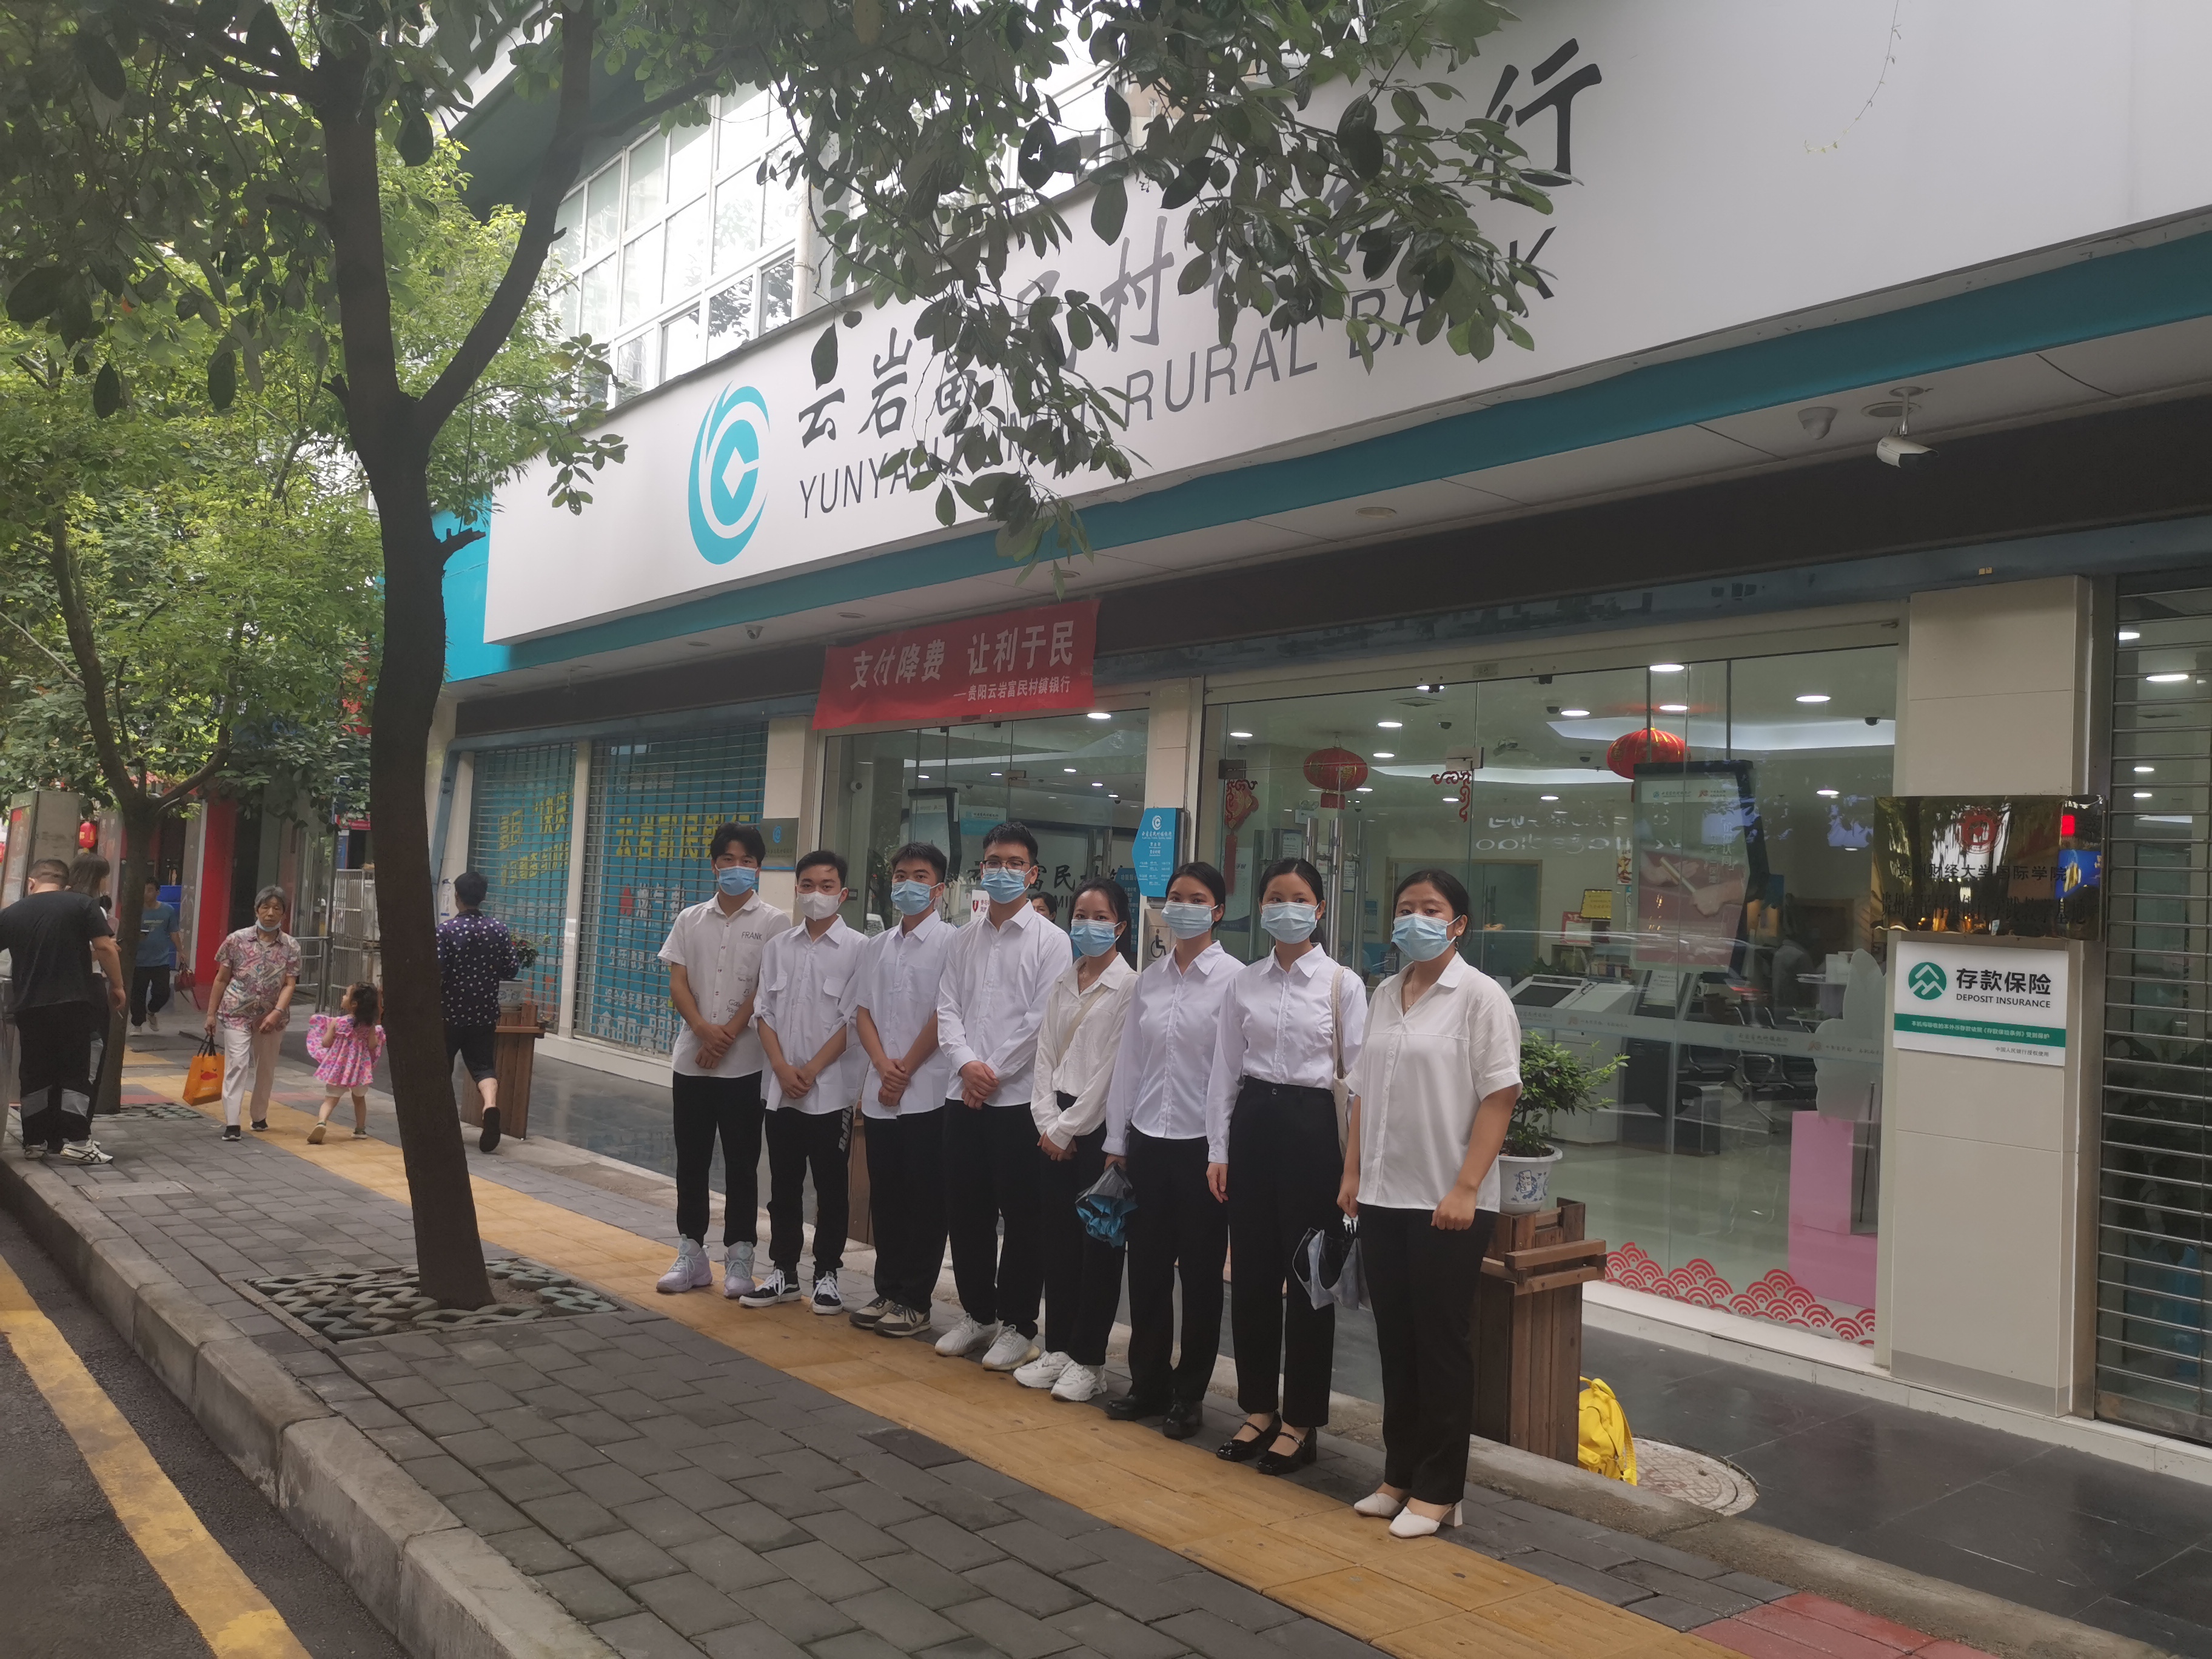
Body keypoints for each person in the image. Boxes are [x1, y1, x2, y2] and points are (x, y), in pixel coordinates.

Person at [1340, 868, 1520, 1539]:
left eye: (1431, 909)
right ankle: (1400, 1476)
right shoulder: (1386, 993)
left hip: (1448, 1200)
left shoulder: (1480, 997)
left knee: (1442, 1346)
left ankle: (1441, 1490)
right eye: (1405, 907)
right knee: (1397, 1342)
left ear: (1459, 924)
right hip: (1384, 1194)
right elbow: (1363, 1092)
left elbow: (1500, 1095)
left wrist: (1467, 1187)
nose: (1415, 918)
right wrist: (1352, 1173)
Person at [1206, 856, 1365, 1475]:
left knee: (1308, 1283)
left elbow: (1359, 1084)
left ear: (1319, 910)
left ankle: (1301, 1422)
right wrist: (1218, 1151)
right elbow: (1224, 1072)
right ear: (1262, 907)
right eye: (1275, 897)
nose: (1286, 908)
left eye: (1299, 899)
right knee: (1250, 1277)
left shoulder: (1342, 985)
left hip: (1313, 1133)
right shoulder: (1244, 983)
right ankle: (1258, 1410)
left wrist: (1352, 1171)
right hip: (1253, 1126)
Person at [1101, 862, 1237, 1439]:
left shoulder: (1235, 980)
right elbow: (1130, 1063)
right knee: (1147, 1269)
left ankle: (1189, 1393)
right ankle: (1148, 1382)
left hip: (1203, 1150)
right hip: (1148, 1144)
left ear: (1218, 911)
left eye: (1197, 898)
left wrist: (1222, 1149)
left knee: (1202, 1277)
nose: (1182, 906)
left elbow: (1231, 1075)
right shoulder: (1149, 980)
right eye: (1175, 896)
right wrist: (1117, 1141)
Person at [933, 822, 1068, 1372]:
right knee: (966, 1210)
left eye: (1015, 863)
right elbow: (946, 1008)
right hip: (961, 1094)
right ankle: (978, 1314)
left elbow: (1041, 1021)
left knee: (1022, 1217)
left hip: (1018, 1103)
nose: (1003, 871)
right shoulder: (963, 939)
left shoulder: (1051, 941)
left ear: (1032, 874)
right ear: (981, 870)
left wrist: (989, 1073)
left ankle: (1018, 1324)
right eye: (994, 862)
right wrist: (967, 1066)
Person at [656, 823, 792, 1297]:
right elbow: (678, 981)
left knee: (741, 1163)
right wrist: (702, 1030)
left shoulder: (775, 922)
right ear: (714, 864)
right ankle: (691, 1254)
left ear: (759, 867)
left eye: (747, 860)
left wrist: (727, 1035)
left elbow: (765, 988)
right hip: (691, 1060)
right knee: (690, 1161)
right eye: (728, 859)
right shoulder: (690, 919)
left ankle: (740, 1256)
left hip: (746, 1065)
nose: (737, 868)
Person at [1018, 877, 1137, 1403]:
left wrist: (1067, 1129)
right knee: (1058, 1245)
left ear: (1121, 926)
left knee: (1098, 1251)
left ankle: (1090, 1361)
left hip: (1097, 1132)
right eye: (1081, 916)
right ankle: (1059, 1348)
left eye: (1100, 917)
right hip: (1053, 1125)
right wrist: (1047, 1121)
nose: (1088, 925)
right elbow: (1045, 1054)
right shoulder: (1065, 980)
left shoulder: (1129, 987)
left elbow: (1114, 1071)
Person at [745, 850, 864, 1315]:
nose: (817, 894)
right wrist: (780, 1067)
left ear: (843, 893)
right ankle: (783, 1273)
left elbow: (855, 1022)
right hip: (782, 1091)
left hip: (831, 1092)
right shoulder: (779, 947)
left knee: (831, 1189)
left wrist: (811, 1070)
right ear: (797, 890)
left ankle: (828, 1274)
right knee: (783, 1186)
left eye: (827, 886)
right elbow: (764, 1011)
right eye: (809, 885)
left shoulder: (859, 949)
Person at [850, 842, 956, 1339]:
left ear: (939, 888)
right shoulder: (878, 945)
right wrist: (882, 1067)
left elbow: (946, 1014)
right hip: (881, 1090)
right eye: (900, 875)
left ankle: (915, 1300)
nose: (907, 884)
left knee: (925, 1201)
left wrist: (905, 1070)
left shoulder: (952, 943)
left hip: (927, 1092)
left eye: (920, 876)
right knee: (887, 1197)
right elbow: (862, 1012)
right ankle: (888, 1290)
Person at [0, 857, 124, 1163]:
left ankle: (34, 1141)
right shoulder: (82, 904)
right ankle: (77, 1141)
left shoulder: (12, 913)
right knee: (74, 1072)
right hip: (73, 1004)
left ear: (31, 882)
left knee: (34, 1072)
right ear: (65, 885)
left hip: (29, 1006)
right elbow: (105, 947)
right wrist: (118, 986)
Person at [202, 885, 301, 1142]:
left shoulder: (291, 946)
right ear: (256, 910)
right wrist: (211, 1014)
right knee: (237, 1063)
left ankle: (259, 1115)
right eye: (265, 907)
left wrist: (277, 1012)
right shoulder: (236, 940)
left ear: (284, 914)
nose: (270, 913)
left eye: (277, 908)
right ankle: (232, 1123)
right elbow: (221, 979)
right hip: (236, 1011)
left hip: (272, 1016)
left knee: (266, 1067)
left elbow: (290, 983)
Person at [438, 870, 521, 1153]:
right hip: (484, 1012)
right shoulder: (498, 929)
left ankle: (444, 1124)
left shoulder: (446, 931)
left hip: (449, 1012)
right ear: (483, 897)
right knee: (483, 1065)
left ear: (457, 897)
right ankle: (490, 1106)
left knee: (442, 1066)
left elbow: (438, 971)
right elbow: (511, 968)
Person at [306, 981, 385, 1143]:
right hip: (360, 1070)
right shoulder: (369, 1026)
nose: (343, 997)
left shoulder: (337, 1022)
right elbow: (372, 1045)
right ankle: (360, 1130)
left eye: (346, 995)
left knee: (330, 1100)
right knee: (359, 1099)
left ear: (354, 1004)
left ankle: (321, 1122)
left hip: (338, 1069)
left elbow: (326, 1043)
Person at [132, 877, 183, 1034]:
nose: (146, 893)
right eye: (144, 890)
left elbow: (174, 932)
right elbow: (127, 932)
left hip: (161, 959)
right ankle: (137, 1024)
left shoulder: (168, 910)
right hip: (139, 960)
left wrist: (181, 951)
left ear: (158, 892)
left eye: (150, 890)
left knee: (163, 992)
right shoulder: (135, 911)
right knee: (137, 993)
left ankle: (152, 1011)